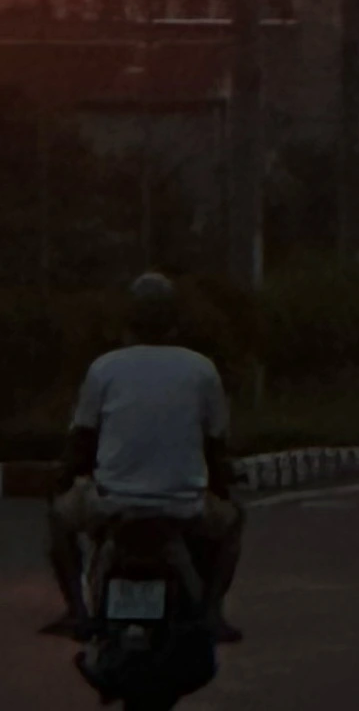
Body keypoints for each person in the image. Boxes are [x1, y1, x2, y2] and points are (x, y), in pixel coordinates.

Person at [48, 274, 244, 644]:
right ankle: (212, 613)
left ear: (128, 321)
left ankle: (76, 610)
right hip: (183, 506)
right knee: (233, 523)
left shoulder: (105, 368)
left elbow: (80, 441)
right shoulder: (201, 368)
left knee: (58, 519)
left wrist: (63, 480)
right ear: (174, 322)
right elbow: (216, 447)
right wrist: (222, 487)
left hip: (112, 503)